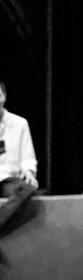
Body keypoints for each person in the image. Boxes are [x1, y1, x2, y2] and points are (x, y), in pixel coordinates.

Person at [0, 80, 38, 231]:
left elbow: (28, 155)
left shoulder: (20, 123)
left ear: (4, 97)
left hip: (8, 178)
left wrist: (29, 171)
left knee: (27, 188)